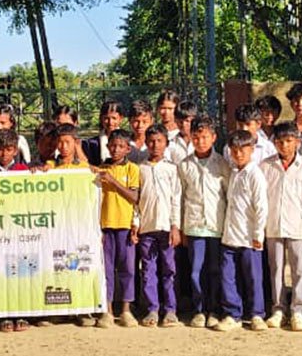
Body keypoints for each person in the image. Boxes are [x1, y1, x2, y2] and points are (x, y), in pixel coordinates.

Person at [261, 122, 302, 331]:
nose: (284, 146)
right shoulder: (265, 166)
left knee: (299, 269)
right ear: (274, 143)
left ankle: (299, 310)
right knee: (275, 268)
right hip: (273, 224)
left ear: (297, 142)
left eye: (289, 141)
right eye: (280, 142)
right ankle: (278, 308)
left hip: (299, 224)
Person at [177, 116, 230, 328]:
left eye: (205, 137)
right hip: (194, 225)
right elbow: (180, 197)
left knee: (216, 270)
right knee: (195, 270)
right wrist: (180, 228)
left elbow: (229, 195)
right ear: (191, 138)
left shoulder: (222, 164)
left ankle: (214, 309)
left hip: (217, 226)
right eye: (196, 137)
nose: (200, 141)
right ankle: (199, 309)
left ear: (214, 138)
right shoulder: (185, 165)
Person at [218, 130, 269, 332]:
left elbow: (261, 206)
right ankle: (233, 314)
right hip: (230, 235)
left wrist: (258, 234)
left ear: (252, 150)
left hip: (250, 237)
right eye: (234, 150)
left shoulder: (254, 174)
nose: (238, 154)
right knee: (228, 276)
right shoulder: (233, 173)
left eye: (243, 150)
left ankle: (257, 314)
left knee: (253, 277)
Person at [91, 129, 141, 328]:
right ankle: (108, 310)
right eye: (112, 145)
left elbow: (134, 197)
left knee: (127, 269)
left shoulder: (133, 169)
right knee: (106, 270)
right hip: (105, 227)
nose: (116, 149)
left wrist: (112, 181)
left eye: (121, 146)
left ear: (128, 148)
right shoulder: (99, 170)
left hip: (125, 226)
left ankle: (126, 310)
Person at [133, 124, 181, 327]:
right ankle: (152, 309)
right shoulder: (140, 169)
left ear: (166, 143)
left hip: (166, 228)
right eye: (151, 141)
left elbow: (176, 198)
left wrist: (175, 226)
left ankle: (170, 309)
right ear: (146, 143)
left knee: (169, 269)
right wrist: (135, 224)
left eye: (159, 141)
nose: (155, 145)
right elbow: (136, 201)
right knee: (148, 270)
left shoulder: (171, 169)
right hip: (147, 228)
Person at [83, 100, 127, 166]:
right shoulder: (93, 143)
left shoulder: (127, 140)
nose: (110, 122)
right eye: (106, 118)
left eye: (114, 118)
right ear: (101, 118)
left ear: (120, 118)